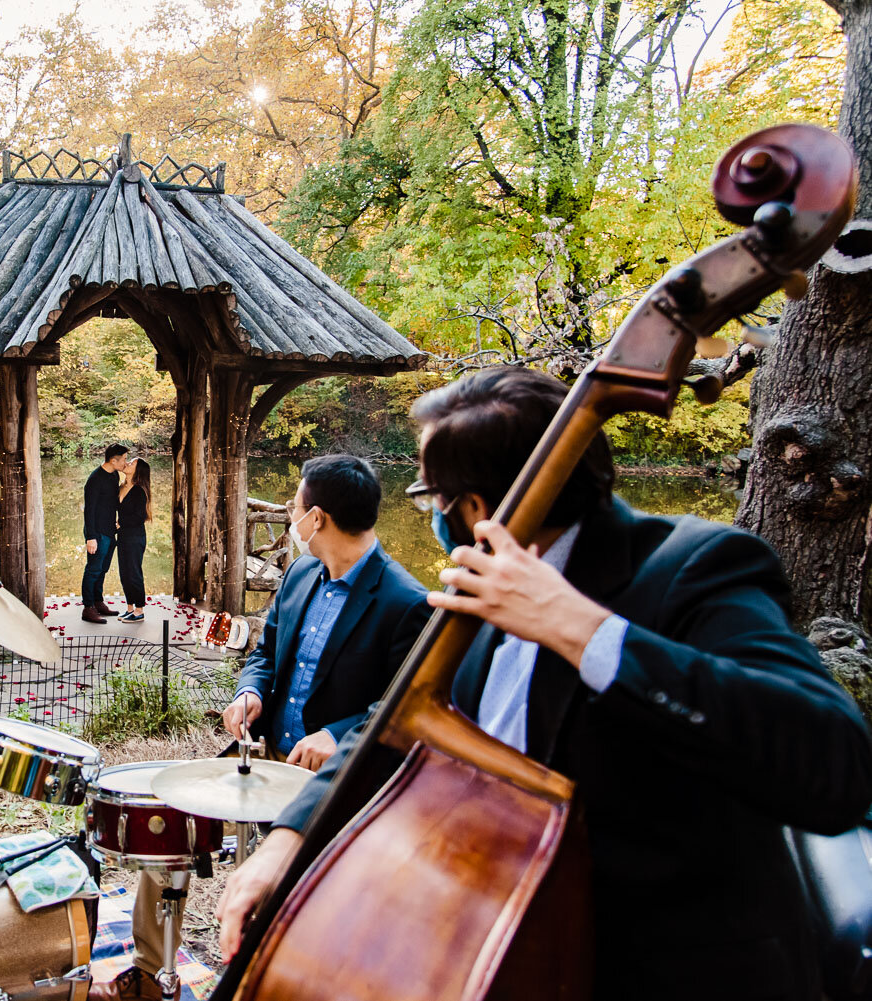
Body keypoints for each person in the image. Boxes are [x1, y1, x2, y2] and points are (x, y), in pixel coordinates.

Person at [214, 368, 872, 1001]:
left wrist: (583, 630)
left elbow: (834, 762)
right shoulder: (475, 593)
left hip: (665, 972)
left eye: (430, 497)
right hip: (504, 953)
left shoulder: (695, 566)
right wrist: (287, 845)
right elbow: (392, 727)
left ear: (472, 507)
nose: (432, 514)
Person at [93, 454, 430, 1001]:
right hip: (264, 758)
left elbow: (407, 707)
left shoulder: (407, 601)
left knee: (296, 908)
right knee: (164, 823)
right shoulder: (301, 573)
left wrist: (340, 733)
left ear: (316, 519)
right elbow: (267, 651)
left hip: (334, 785)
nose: (290, 516)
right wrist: (248, 689)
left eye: (295, 507)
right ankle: (153, 973)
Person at [82, 443, 130, 624]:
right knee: (93, 570)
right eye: (124, 459)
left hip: (110, 531)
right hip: (97, 533)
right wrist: (91, 537)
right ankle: (88, 608)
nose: (125, 462)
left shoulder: (114, 475)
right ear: (113, 460)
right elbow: (89, 510)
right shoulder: (95, 479)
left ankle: (98, 601)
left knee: (102, 569)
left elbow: (112, 503)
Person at [116, 457, 152, 622]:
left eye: (132, 463)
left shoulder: (139, 491)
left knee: (134, 573)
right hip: (123, 536)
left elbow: (140, 517)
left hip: (135, 536)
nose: (128, 463)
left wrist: (119, 523)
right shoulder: (121, 487)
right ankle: (129, 607)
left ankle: (139, 610)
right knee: (124, 572)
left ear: (138, 471)